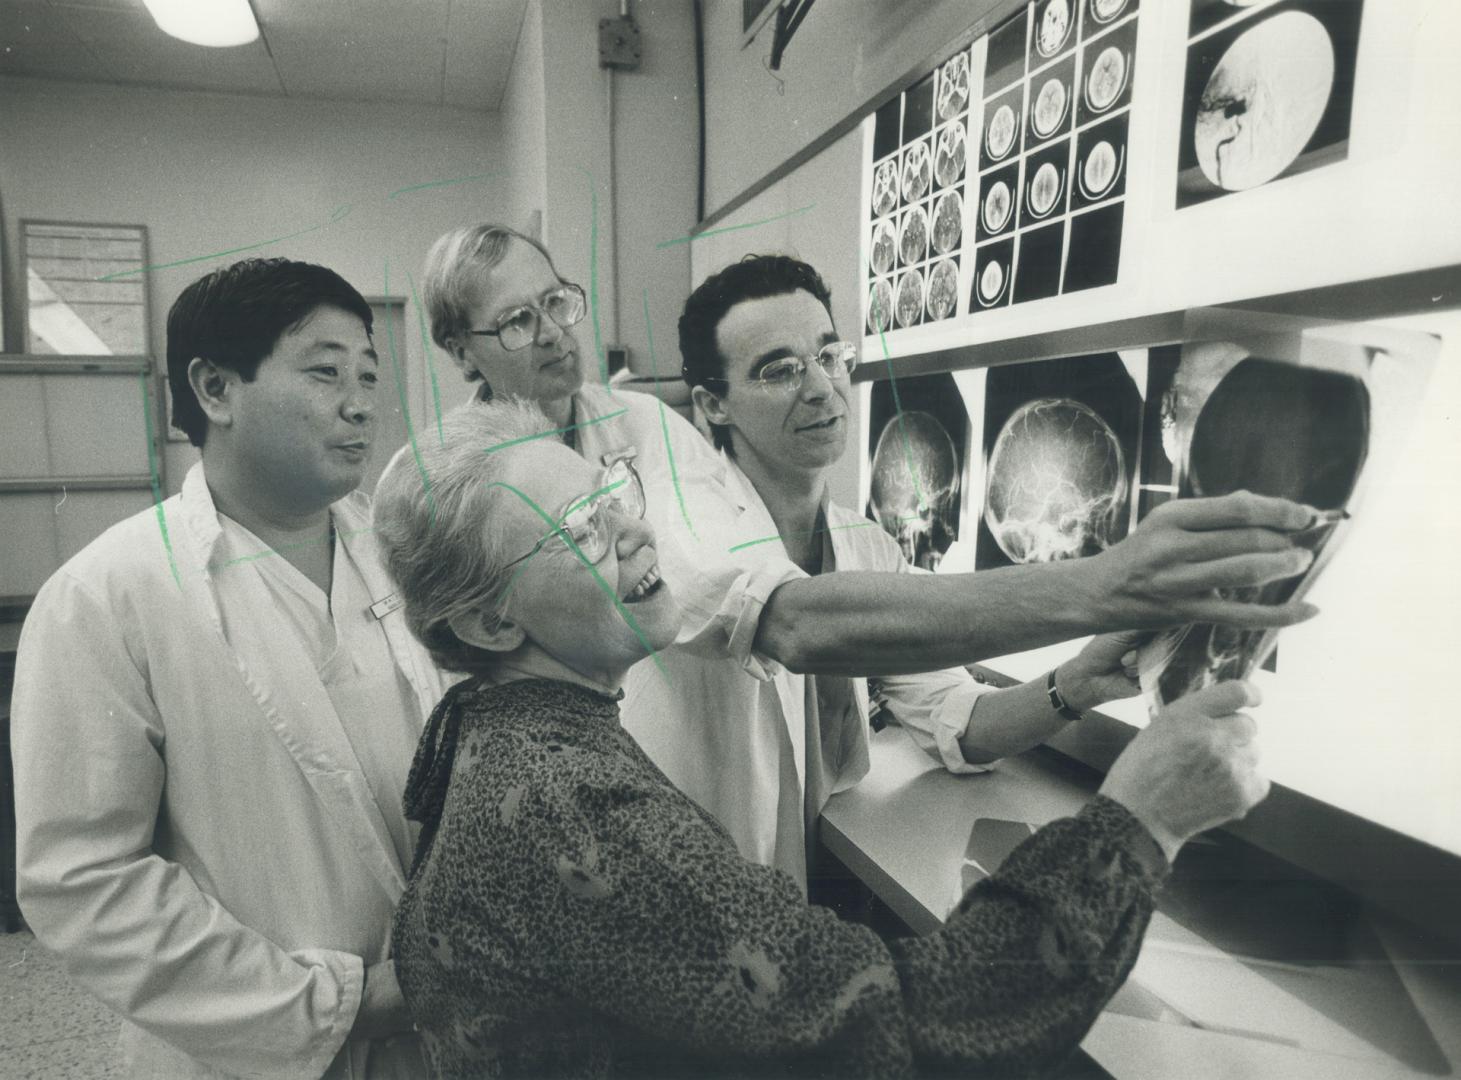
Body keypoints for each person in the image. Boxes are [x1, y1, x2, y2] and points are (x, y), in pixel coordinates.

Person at [372, 399, 1273, 1079]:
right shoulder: (567, 805)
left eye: (615, 494)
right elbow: (912, 1022)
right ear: (490, 625)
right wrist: (1138, 821)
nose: (637, 527)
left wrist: (1072, 685)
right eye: (581, 528)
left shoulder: (487, 733)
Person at [622, 254, 1322, 888]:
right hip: (685, 898)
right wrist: (1105, 585)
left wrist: (1072, 685)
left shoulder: (864, 547)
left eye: (828, 354)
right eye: (778, 369)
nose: (820, 387)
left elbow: (957, 721)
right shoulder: (679, 518)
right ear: (713, 404)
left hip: (781, 904)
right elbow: (798, 623)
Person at [11, 258, 453, 1078]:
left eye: (368, 374)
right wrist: (337, 1001)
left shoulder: (405, 556)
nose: (361, 403)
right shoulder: (109, 595)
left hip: (448, 1030)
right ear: (215, 389)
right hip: (252, 1046)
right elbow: (84, 881)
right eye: (325, 373)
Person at [421, 223, 719, 487]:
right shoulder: (442, 480)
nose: (552, 332)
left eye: (555, 301)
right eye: (516, 320)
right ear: (461, 353)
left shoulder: (651, 425)